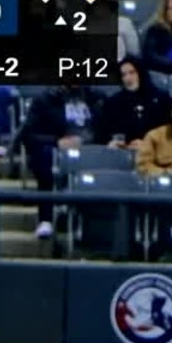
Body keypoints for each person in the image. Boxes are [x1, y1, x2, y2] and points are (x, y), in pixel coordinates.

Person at [21, 84, 102, 238]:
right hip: (57, 152)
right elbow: (29, 136)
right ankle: (46, 219)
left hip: (92, 150)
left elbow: (106, 128)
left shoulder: (97, 98)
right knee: (45, 157)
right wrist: (57, 141)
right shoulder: (45, 100)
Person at [97, 57, 170, 150]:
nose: (128, 78)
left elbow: (169, 135)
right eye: (124, 75)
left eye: (132, 73)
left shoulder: (162, 100)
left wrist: (148, 144)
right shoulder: (113, 103)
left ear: (140, 73)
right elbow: (102, 135)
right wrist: (110, 144)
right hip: (122, 155)